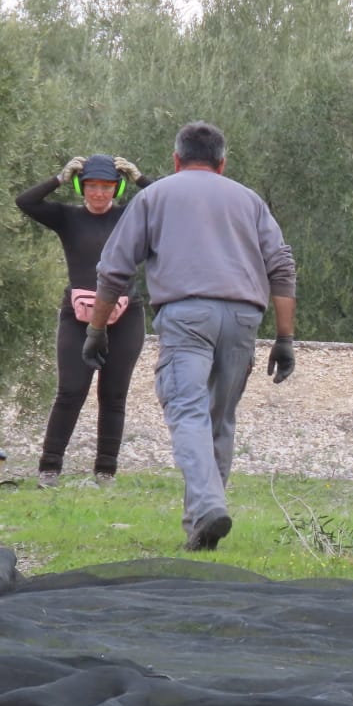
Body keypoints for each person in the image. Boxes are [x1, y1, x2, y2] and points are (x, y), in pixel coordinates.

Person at [83, 121, 297, 552]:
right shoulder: (249, 200)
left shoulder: (155, 196)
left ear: (176, 160)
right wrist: (285, 338)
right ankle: (199, 529)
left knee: (187, 411)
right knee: (219, 420)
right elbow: (282, 266)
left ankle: (206, 507)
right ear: (223, 163)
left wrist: (96, 328)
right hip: (242, 318)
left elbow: (114, 270)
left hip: (186, 316)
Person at [15, 153, 152, 489]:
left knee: (114, 394)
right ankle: (50, 468)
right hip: (77, 316)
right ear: (81, 187)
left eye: (106, 187)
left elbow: (174, 207)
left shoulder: (130, 216)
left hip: (125, 314)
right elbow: (25, 201)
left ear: (116, 188)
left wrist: (140, 179)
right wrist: (58, 178)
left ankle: (105, 471)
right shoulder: (66, 217)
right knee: (71, 390)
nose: (99, 193)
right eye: (92, 186)